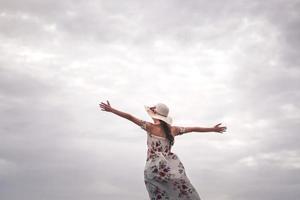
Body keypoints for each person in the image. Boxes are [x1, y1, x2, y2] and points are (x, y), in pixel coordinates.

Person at [99, 100, 227, 200]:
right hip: (170, 168)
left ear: (155, 115)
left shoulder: (149, 127)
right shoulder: (173, 130)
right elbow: (193, 128)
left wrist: (112, 110)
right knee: (181, 191)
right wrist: (212, 129)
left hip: (153, 169)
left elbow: (129, 117)